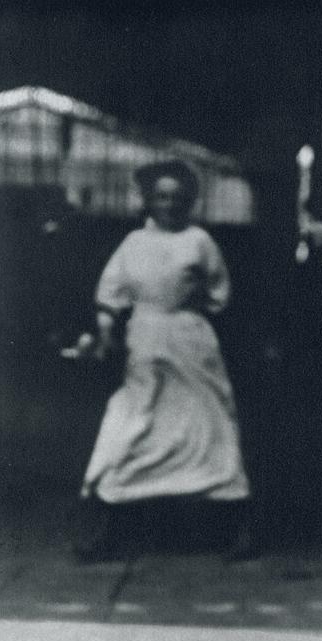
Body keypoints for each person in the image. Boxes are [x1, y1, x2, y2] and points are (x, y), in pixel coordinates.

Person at [69, 159, 251, 560]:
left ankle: (235, 528)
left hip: (191, 344)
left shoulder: (200, 242)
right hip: (145, 345)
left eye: (177, 197)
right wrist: (105, 332)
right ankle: (108, 527)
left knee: (209, 426)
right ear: (149, 201)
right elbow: (110, 295)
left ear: (189, 201)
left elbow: (220, 296)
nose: (169, 204)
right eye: (161, 197)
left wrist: (192, 313)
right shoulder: (133, 243)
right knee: (132, 425)